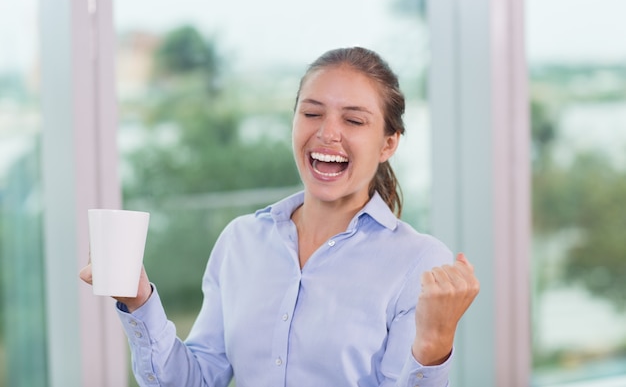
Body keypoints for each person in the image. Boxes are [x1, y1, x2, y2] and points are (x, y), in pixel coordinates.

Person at [80, 46, 479, 387]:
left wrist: (433, 346)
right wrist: (138, 299)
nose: (327, 133)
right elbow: (196, 379)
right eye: (312, 114)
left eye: (353, 120)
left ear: (388, 143)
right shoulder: (241, 241)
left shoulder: (419, 263)